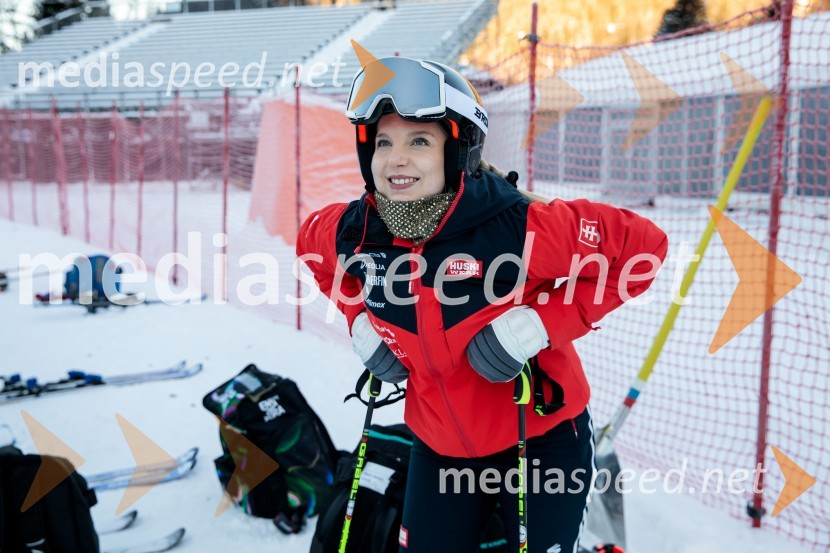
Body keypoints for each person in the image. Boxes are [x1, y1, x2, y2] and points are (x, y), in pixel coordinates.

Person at [296, 57, 668, 553]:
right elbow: (312, 252)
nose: (396, 159)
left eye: (419, 141)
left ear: (459, 149)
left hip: (542, 443)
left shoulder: (516, 225)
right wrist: (359, 321)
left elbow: (642, 250)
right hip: (439, 445)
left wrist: (538, 324)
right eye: (383, 142)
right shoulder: (356, 230)